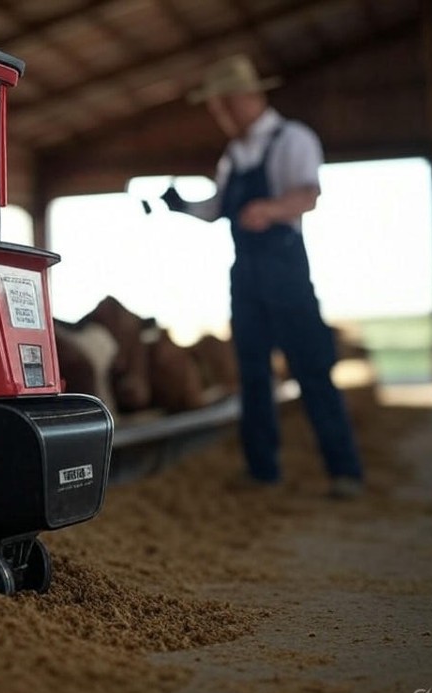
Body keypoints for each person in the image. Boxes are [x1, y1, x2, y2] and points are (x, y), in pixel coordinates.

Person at [162, 54, 364, 499]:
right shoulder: (234, 154)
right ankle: (262, 471)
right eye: (216, 107)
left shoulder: (293, 138)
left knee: (312, 368)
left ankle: (344, 471)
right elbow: (217, 209)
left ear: (249, 97)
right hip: (246, 274)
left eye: (223, 105)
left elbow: (308, 195)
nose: (219, 115)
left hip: (285, 267)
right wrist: (182, 205)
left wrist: (269, 209)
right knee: (251, 372)